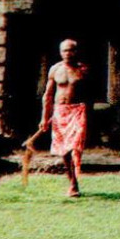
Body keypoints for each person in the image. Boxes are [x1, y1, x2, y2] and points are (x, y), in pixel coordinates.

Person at [41, 39, 88, 197]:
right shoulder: (55, 69)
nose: (68, 53)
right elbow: (47, 96)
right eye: (64, 51)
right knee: (65, 150)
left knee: (75, 145)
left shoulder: (83, 69)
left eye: (71, 50)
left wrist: (89, 114)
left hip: (77, 111)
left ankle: (75, 177)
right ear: (60, 52)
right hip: (60, 111)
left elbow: (91, 95)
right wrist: (45, 117)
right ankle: (73, 183)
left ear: (76, 51)